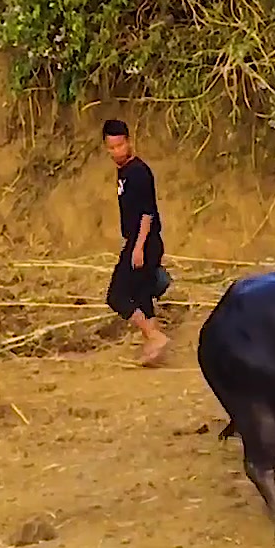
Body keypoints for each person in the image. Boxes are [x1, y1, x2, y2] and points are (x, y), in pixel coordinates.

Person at [102, 118, 170, 366]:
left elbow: (147, 212)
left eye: (120, 146)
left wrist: (138, 246)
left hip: (144, 242)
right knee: (142, 295)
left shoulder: (139, 172)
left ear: (128, 142)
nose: (116, 152)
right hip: (140, 241)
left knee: (117, 297)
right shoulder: (124, 172)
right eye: (111, 148)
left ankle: (154, 336)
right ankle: (153, 349)